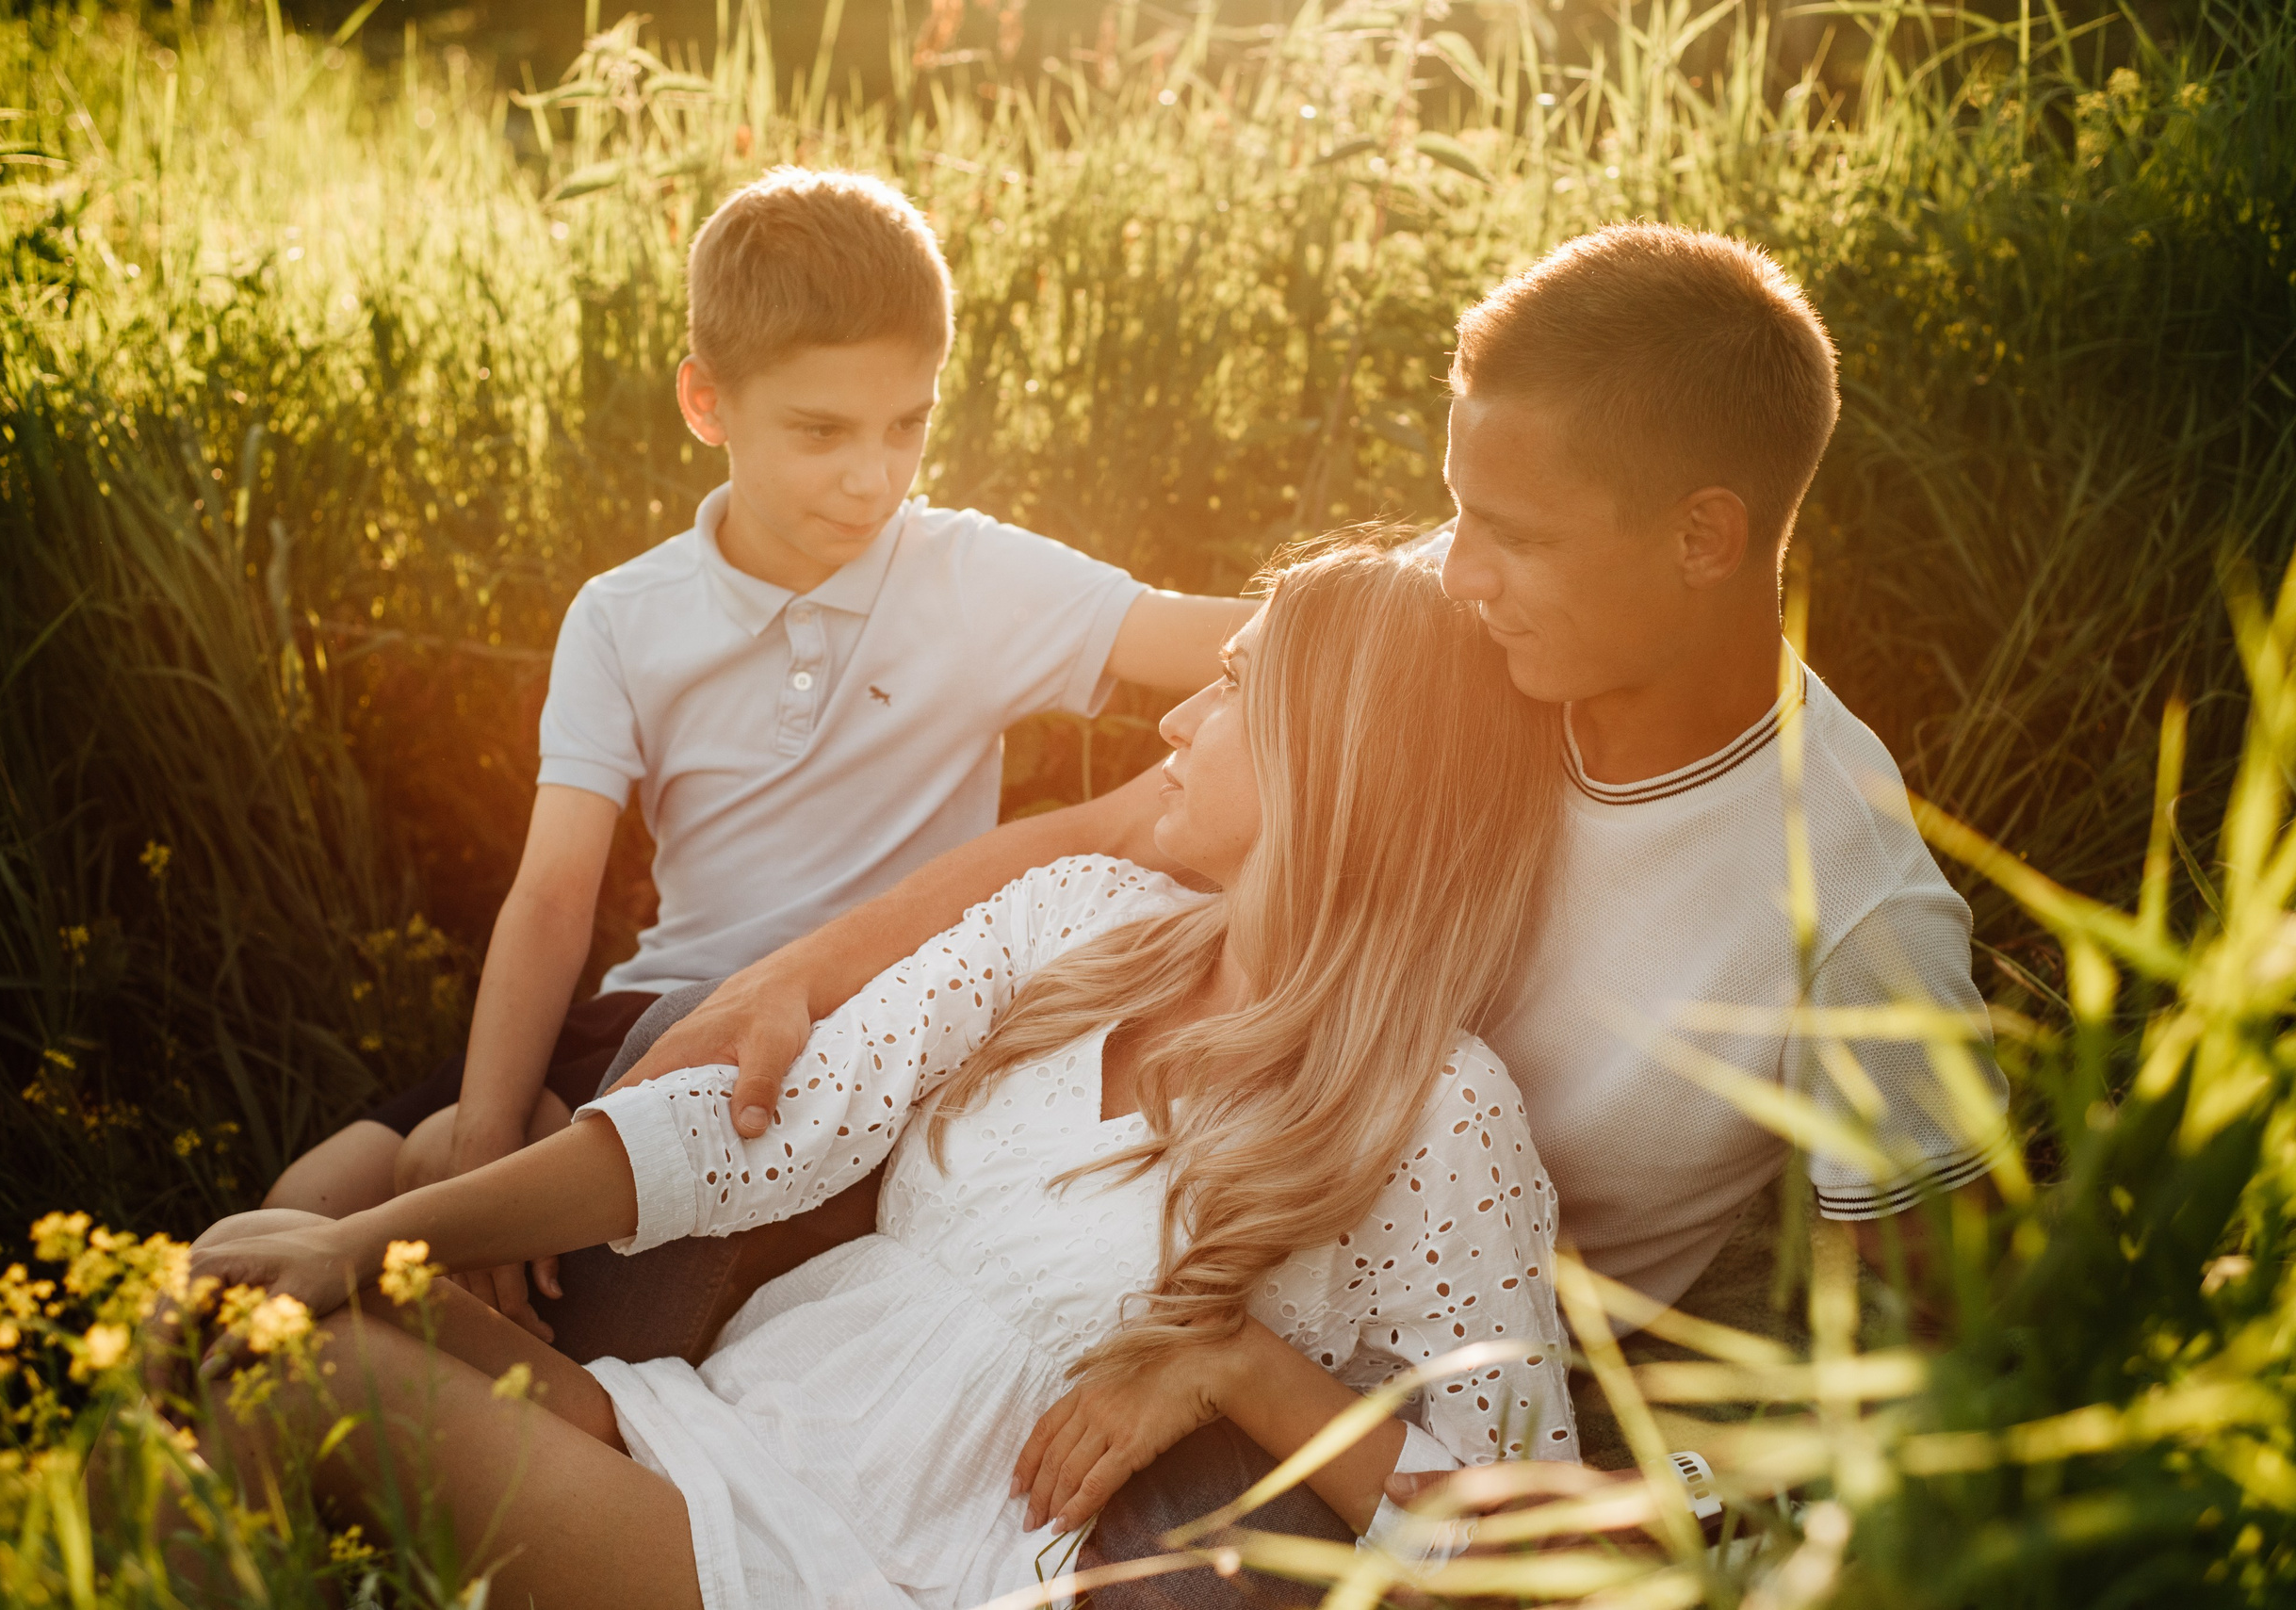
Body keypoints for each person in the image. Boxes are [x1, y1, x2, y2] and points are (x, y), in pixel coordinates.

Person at [599, 223, 2011, 1585]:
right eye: (1457, 510)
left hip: (1393, 1401)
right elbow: (1111, 826)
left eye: (1512, 532)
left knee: (1168, 1556)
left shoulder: (1854, 907)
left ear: (1706, 536)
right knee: (705, 1071)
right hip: (1134, 1212)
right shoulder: (1450, 626)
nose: (1451, 570)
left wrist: (1251, 1376)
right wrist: (793, 974)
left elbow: (1912, 1396)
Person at [174, 542, 1578, 1610]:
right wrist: (379, 1239)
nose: (1174, 724)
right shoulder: (1086, 913)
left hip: (860, 1568)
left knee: (303, 1371)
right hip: (705, 1432)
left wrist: (1240, 1365)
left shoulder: (1436, 1108)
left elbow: (1514, 1547)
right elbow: (745, 1134)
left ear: (1328, 761)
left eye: (1228, 691)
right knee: (245, 1287)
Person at [261, 167, 1255, 1342]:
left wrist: (1419, 574)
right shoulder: (626, 615)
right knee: (311, 1197)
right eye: (821, 430)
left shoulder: (970, 576)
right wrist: (486, 1120)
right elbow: (553, 892)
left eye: (908, 424)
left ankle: (456, 1446)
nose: (872, 475)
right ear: (706, 402)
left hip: (837, 1030)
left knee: (429, 1214)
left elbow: (1208, 630)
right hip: (647, 1003)